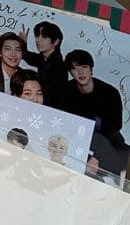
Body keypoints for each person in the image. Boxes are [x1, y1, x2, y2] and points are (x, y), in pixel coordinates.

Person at [62, 49, 128, 178]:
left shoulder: (110, 93)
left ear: (91, 69)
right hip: (78, 141)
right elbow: (65, 123)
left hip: (107, 141)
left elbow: (114, 127)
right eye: (75, 68)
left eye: (84, 67)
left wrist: (97, 156)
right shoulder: (66, 91)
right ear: (70, 72)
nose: (80, 72)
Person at [18, 22, 66, 108]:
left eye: (44, 37)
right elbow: (30, 57)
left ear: (56, 41)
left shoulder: (56, 65)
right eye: (37, 35)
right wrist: (23, 43)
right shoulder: (44, 57)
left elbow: (49, 96)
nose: (38, 40)